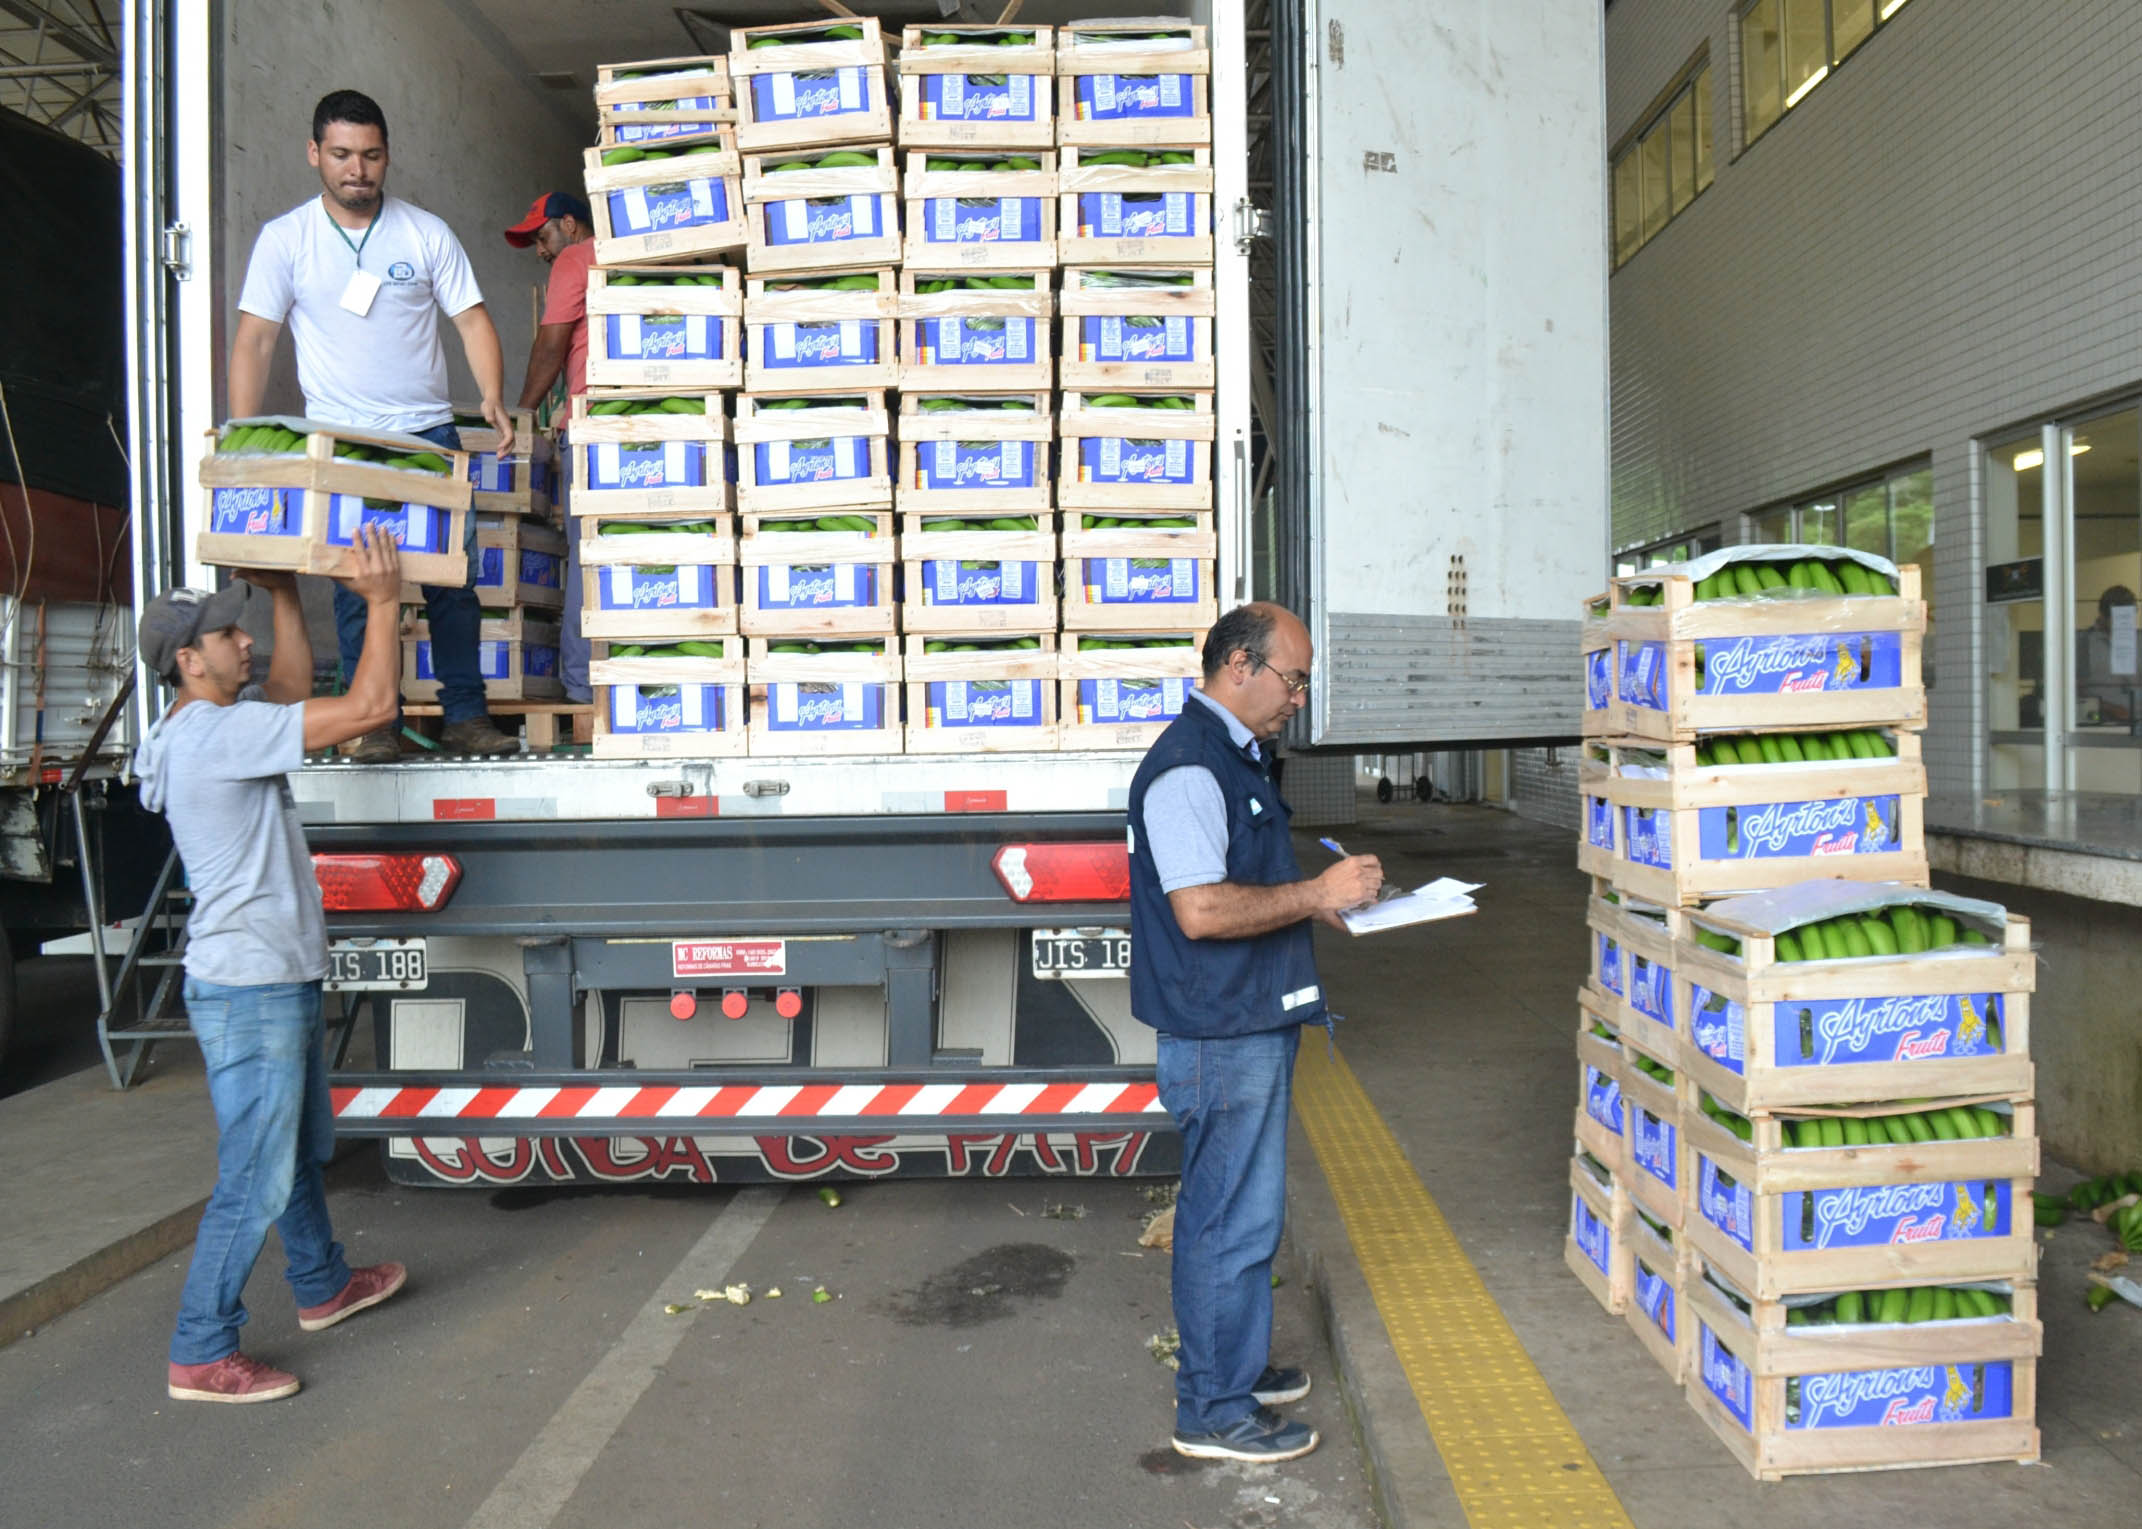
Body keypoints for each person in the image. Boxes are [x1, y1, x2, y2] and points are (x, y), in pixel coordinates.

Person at [135, 526, 411, 1404]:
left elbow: (289, 690)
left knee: (287, 1149)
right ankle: (200, 1348)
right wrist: (379, 601)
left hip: (259, 975)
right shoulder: (216, 738)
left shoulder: (202, 726)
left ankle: (322, 1282)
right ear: (188, 660)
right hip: (249, 985)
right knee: (254, 1172)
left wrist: (285, 591)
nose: (244, 639)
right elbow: (366, 709)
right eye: (228, 633)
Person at [1127, 602, 1383, 1463]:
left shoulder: (1232, 757)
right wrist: (1318, 894)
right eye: (1294, 678)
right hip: (1219, 1031)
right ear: (1239, 665)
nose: (1299, 698)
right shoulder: (1190, 769)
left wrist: (1332, 904)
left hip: (1244, 1021)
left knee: (1243, 1214)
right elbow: (1200, 910)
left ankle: (1229, 1365)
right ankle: (1212, 1409)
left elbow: (1243, 884)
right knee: (1226, 1222)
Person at [227, 88, 518, 762]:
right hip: (343, 445)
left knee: (453, 580)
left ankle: (466, 717)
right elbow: (256, 342)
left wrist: (494, 396)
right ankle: (370, 723)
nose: (357, 168)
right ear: (314, 155)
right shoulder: (286, 239)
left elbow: (471, 319)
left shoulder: (424, 232)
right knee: (354, 586)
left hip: (428, 438)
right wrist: (246, 440)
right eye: (341, 155)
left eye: (371, 155)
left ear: (388, 156)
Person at [504, 191, 597, 703]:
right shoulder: (631, 256)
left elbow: (551, 343)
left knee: (586, 557)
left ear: (569, 224)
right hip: (645, 425)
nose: (541, 250)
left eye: (542, 236)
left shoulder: (574, 258)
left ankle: (582, 689)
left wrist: (521, 414)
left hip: (589, 427)